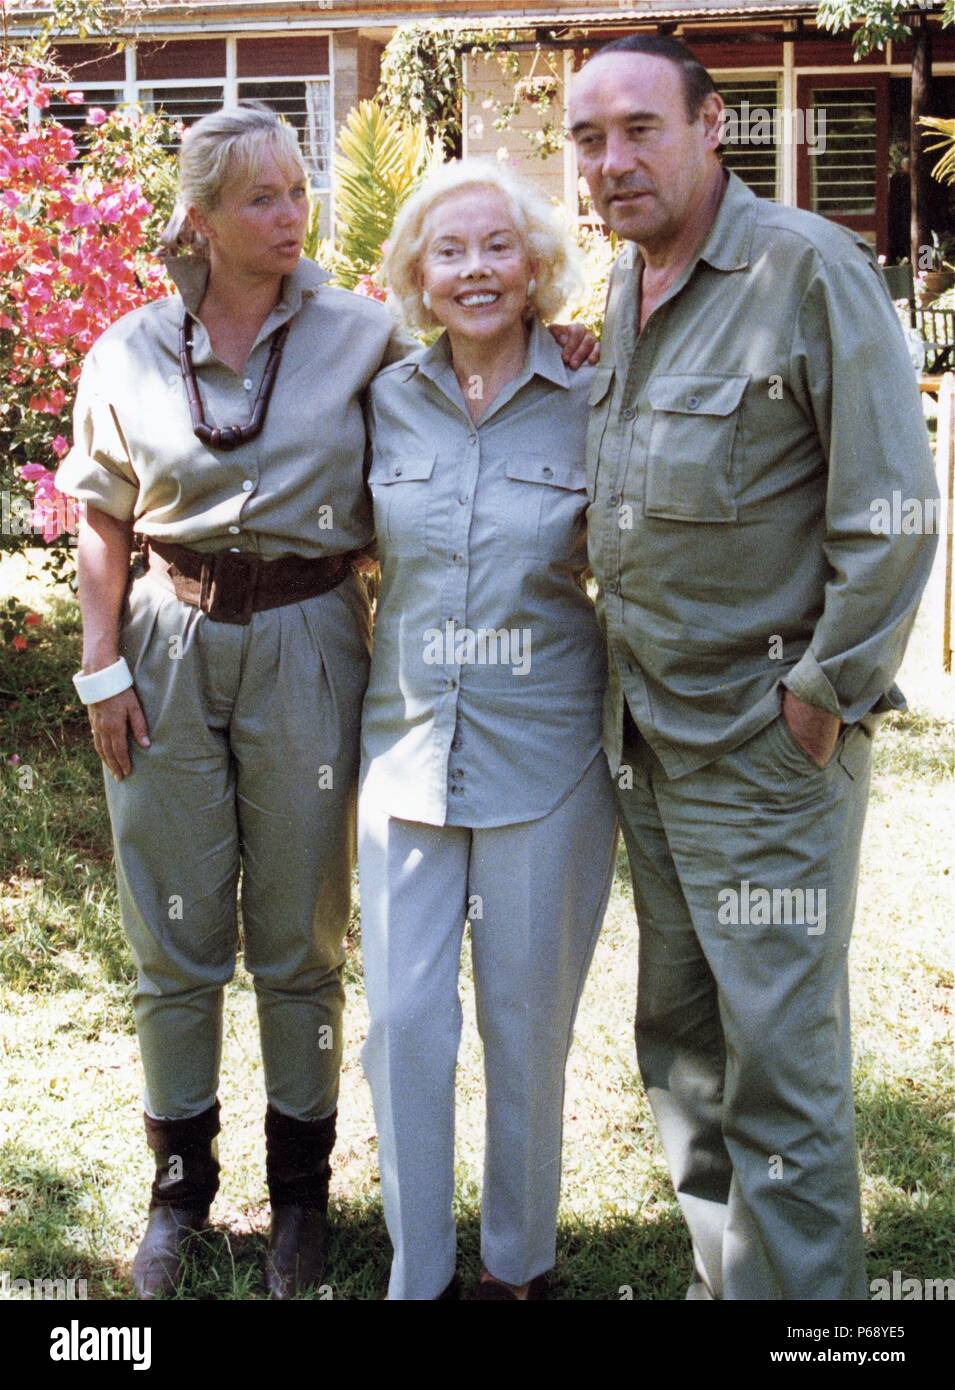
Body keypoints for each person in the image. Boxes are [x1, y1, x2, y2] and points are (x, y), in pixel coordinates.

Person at [55, 105, 595, 1300]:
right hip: (164, 641)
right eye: (262, 199)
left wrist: (575, 347)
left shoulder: (361, 339)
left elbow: (482, 384)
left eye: (300, 190)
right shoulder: (130, 351)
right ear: (199, 219)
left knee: (302, 935)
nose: (292, 214)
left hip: (311, 636)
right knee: (173, 930)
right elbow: (99, 511)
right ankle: (178, 1190)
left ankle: (301, 1194)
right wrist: (102, 665)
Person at [568, 34, 939, 1300]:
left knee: (777, 1058)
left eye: (639, 129)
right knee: (678, 1043)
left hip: (765, 749)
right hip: (647, 740)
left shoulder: (805, 271)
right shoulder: (631, 283)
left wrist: (819, 699)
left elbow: (893, 512)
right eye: (587, 138)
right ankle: (732, 1280)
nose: (612, 161)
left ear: (711, 123)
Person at [358, 159, 618, 1300]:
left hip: (546, 754)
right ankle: (417, 1277)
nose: (474, 271)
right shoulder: (379, 394)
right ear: (418, 272)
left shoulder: (593, 393)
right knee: (406, 1025)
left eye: (497, 249)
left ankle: (518, 1270)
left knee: (525, 1027)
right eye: (449, 252)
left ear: (535, 268)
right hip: (403, 752)